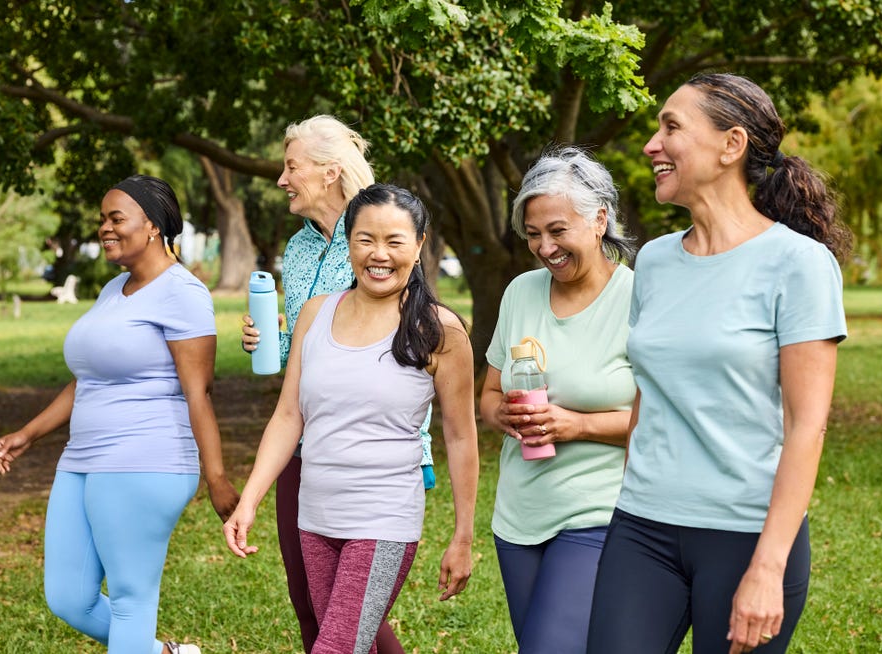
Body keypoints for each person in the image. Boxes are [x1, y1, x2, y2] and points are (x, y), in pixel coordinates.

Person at [587, 73, 851, 654]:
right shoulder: (654, 261)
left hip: (747, 535)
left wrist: (767, 567)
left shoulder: (798, 264)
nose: (652, 144)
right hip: (643, 525)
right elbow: (646, 392)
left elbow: (807, 426)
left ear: (731, 145)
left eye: (671, 127)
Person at [0, 174, 240, 654]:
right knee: (68, 598)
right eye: (102, 218)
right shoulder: (115, 289)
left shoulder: (182, 293)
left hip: (146, 459)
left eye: (115, 218)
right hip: (82, 459)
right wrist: (29, 433)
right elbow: (88, 379)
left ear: (152, 226)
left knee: (129, 600)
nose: (104, 227)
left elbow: (199, 392)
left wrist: (217, 476)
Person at [225, 184, 479, 654]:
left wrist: (463, 536)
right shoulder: (316, 315)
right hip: (315, 517)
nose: (378, 254)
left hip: (383, 520)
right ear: (348, 242)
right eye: (365, 240)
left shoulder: (438, 330)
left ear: (420, 245)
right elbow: (287, 417)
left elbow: (461, 437)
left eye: (395, 241)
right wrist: (249, 501)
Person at [240, 115, 433, 653]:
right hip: (304, 445)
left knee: (348, 617)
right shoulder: (299, 249)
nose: (282, 179)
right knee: (314, 606)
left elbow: (416, 341)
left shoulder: (381, 236)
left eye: (291, 166)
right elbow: (303, 353)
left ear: (328, 172)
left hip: (377, 452)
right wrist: (269, 343)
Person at [479, 146, 637, 653]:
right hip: (519, 516)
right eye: (532, 234)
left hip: (598, 511)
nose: (545, 247)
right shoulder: (520, 292)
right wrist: (501, 413)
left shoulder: (640, 297)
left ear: (599, 220)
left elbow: (665, 418)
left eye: (557, 230)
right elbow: (486, 396)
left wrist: (577, 425)